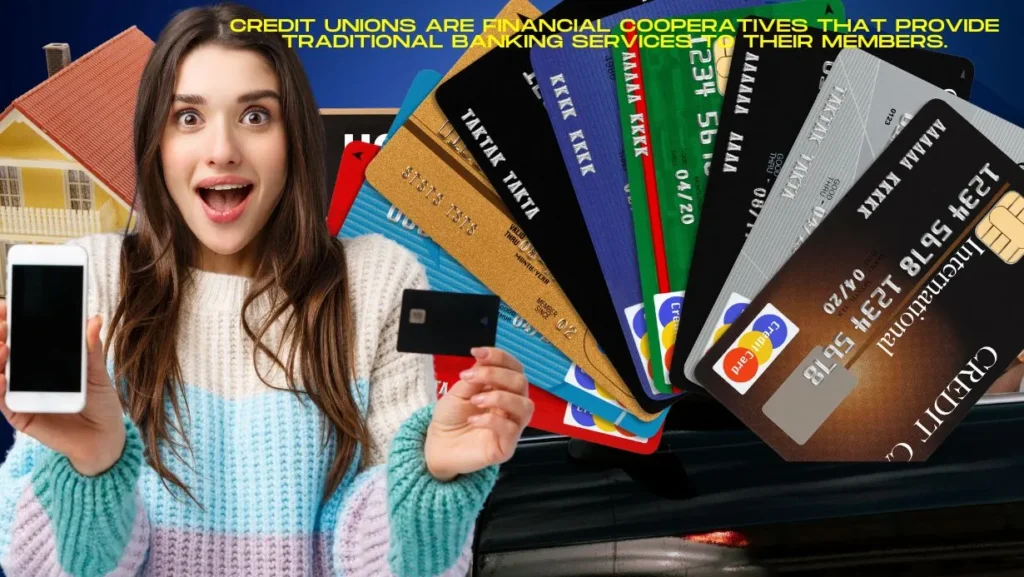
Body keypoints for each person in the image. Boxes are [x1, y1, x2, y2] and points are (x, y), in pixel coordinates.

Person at [0, 4, 534, 576]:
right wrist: (93, 465)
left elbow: (392, 568)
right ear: (155, 141)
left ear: (294, 137)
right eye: (188, 117)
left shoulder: (378, 282)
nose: (223, 148)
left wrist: (431, 479)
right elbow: (36, 567)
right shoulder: (94, 279)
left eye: (256, 116)